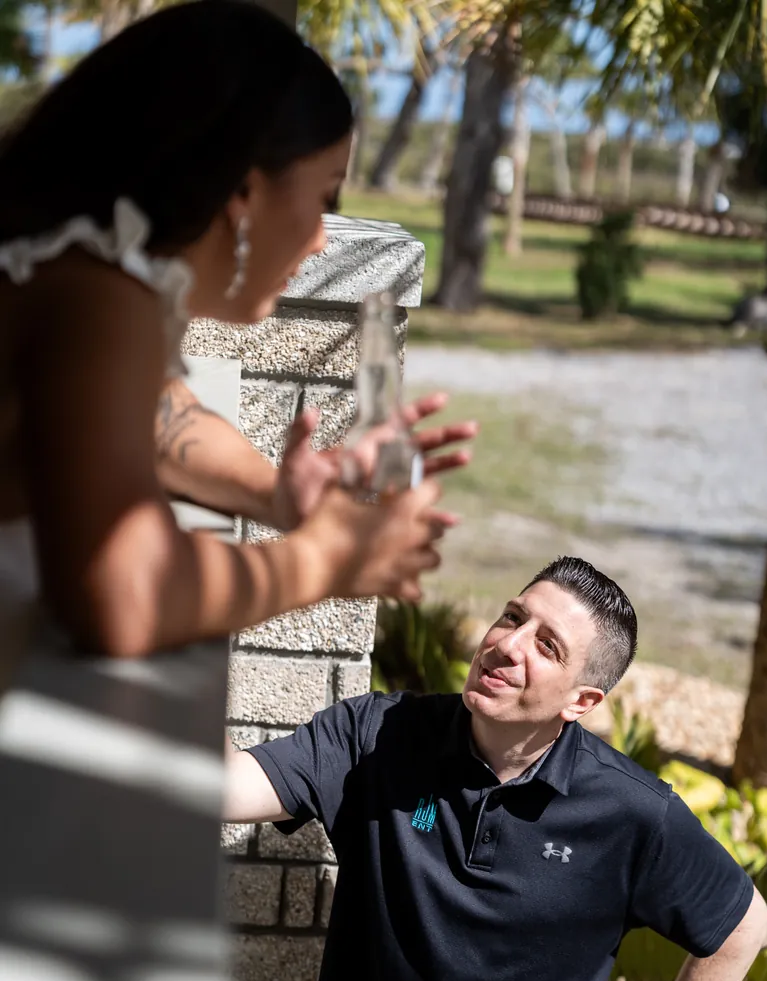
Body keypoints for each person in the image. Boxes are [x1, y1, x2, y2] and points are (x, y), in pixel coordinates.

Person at [226, 556, 767, 981]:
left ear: (582, 700)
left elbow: (746, 926)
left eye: (546, 645)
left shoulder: (632, 813)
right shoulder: (376, 736)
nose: (507, 645)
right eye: (512, 616)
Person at [0, 0, 473, 664]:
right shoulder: (95, 293)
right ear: (242, 192)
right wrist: (326, 558)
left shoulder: (76, 272)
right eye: (325, 198)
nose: (319, 241)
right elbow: (125, 594)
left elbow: (160, 419)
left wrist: (279, 494)